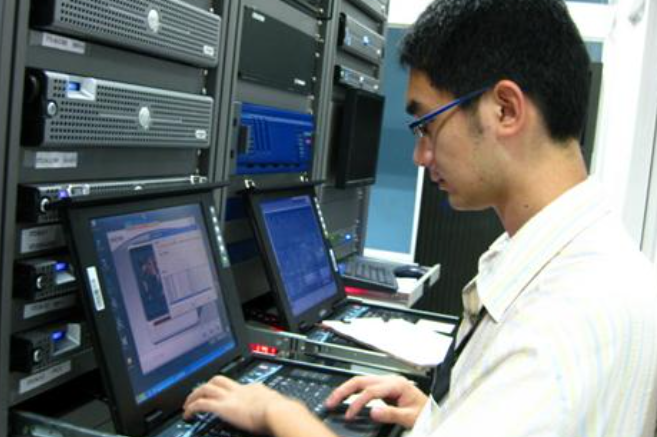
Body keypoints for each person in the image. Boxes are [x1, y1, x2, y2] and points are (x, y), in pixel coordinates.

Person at [183, 0, 657, 435]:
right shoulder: (599, 267)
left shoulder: (558, 327)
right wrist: (440, 416)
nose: (420, 155)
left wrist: (277, 413)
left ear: (506, 110)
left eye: (428, 125)